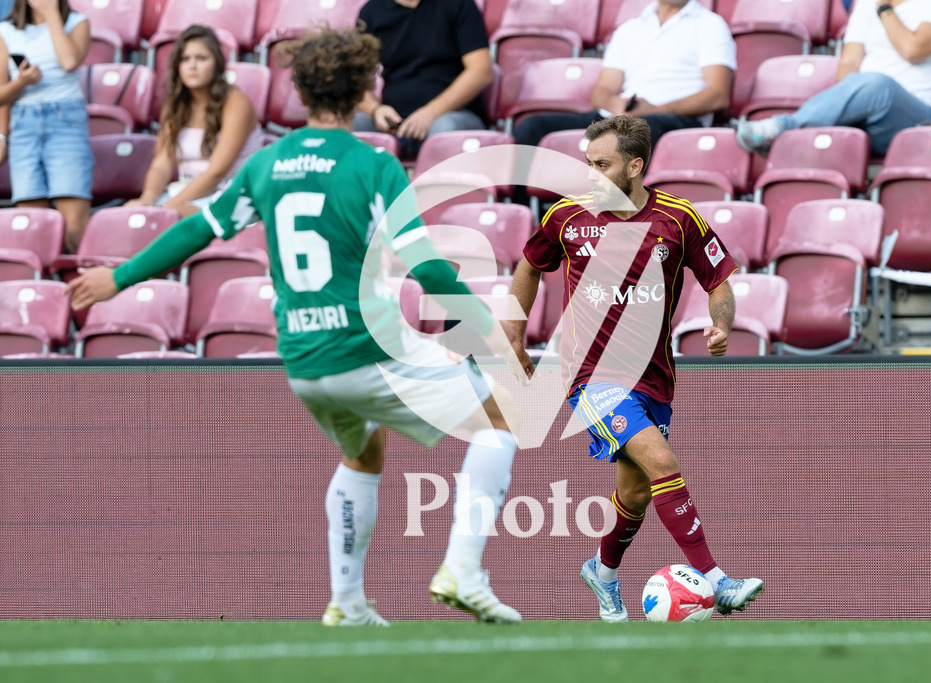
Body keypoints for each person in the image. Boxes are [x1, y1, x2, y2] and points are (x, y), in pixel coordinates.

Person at [65, 26, 525, 627]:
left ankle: (348, 603)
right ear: (363, 88)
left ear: (301, 91)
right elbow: (427, 264)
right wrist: (488, 331)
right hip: (364, 348)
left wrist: (117, 278)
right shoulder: (373, 164)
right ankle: (463, 569)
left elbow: (196, 230)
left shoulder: (266, 164)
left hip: (305, 363)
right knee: (502, 417)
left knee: (363, 453)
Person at [505, 114, 764, 622]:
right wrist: (512, 332)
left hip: (655, 380)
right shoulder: (566, 217)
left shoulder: (678, 218)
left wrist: (720, 324)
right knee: (662, 462)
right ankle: (717, 581)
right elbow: (530, 264)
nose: (591, 175)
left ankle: (602, 571)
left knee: (638, 492)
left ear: (635, 166)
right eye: (587, 163)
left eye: (602, 165)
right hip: (590, 377)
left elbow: (719, 280)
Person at [733, 0, 931, 157]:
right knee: (869, 87)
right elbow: (849, 62)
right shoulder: (866, 2)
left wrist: (885, 10)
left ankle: (785, 127)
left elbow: (912, 48)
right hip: (870, 109)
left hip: (921, 116)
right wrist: (855, 100)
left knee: (879, 85)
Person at [512, 0, 735, 150]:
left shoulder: (710, 25)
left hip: (675, 120)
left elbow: (717, 95)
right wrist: (617, 106)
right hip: (622, 116)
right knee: (531, 128)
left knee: (640, 130)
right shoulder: (630, 29)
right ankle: (525, 216)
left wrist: (655, 109)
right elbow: (602, 91)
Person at [127, 24, 261, 217]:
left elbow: (216, 172)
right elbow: (162, 162)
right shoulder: (175, 105)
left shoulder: (236, 102)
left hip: (231, 196)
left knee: (162, 224)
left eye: (201, 58)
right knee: (131, 216)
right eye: (185, 59)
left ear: (217, 63)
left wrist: (165, 210)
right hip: (187, 194)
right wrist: (147, 199)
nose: (192, 66)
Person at [0, 0, 92, 252]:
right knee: (33, 229)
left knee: (74, 228)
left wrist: (51, 13)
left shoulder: (77, 22)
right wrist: (21, 82)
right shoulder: (5, 31)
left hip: (66, 120)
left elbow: (70, 61)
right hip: (22, 124)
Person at [355, 0, 493, 159]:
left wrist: (431, 112)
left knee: (445, 128)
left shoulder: (459, 4)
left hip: (453, 115)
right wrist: (375, 110)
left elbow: (481, 71)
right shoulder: (371, 11)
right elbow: (355, 79)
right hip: (395, 122)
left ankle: (436, 183)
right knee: (353, 124)